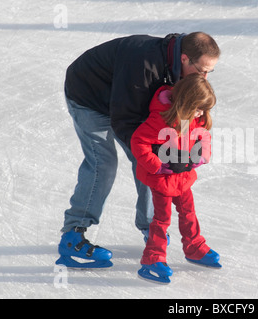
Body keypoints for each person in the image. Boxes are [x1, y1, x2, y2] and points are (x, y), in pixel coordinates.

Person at [56, 32, 220, 269]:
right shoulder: (144, 65)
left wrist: (185, 150)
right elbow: (125, 118)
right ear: (185, 58)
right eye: (202, 70)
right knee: (104, 164)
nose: (205, 77)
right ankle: (73, 235)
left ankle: (151, 226)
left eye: (210, 72)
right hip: (89, 96)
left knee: (152, 157)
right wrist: (156, 159)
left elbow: (177, 112)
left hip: (124, 99)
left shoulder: (178, 70)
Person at [131, 74, 221, 283]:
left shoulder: (195, 120)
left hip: (183, 179)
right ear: (187, 103)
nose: (201, 113)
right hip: (163, 179)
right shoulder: (160, 119)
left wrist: (199, 157)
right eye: (199, 108)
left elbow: (203, 137)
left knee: (189, 213)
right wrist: (159, 165)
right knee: (161, 220)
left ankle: (194, 248)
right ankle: (152, 259)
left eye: (204, 110)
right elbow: (138, 142)